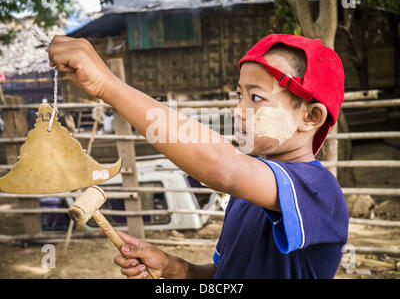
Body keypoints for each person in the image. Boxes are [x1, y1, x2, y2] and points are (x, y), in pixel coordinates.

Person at [48, 33, 349, 279]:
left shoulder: (318, 190)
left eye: (256, 98)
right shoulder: (248, 194)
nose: (238, 111)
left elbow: (225, 169)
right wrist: (172, 267)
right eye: (238, 95)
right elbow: (222, 276)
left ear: (310, 116)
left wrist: (107, 85)